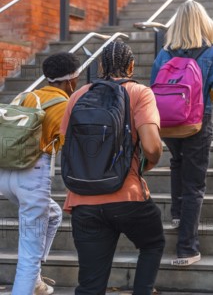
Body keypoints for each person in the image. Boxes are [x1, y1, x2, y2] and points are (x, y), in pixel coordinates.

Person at [60, 40, 165, 295]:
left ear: (99, 66)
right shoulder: (140, 92)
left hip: (83, 199)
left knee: (90, 284)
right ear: (131, 65)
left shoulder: (78, 95)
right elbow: (152, 147)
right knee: (152, 244)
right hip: (127, 195)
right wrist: (144, 166)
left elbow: (66, 143)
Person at [150, 0, 213, 266]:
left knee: (177, 162)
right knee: (195, 185)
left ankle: (177, 213)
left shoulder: (164, 53)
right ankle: (187, 248)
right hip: (197, 121)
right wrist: (208, 97)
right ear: (203, 22)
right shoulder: (212, 53)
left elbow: (154, 84)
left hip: (168, 122)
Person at [0, 52, 80, 295]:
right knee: (29, 254)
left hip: (6, 175)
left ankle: (34, 279)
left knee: (53, 214)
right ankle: (29, 279)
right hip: (32, 177)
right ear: (71, 81)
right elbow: (71, 148)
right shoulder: (65, 106)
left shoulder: (27, 96)